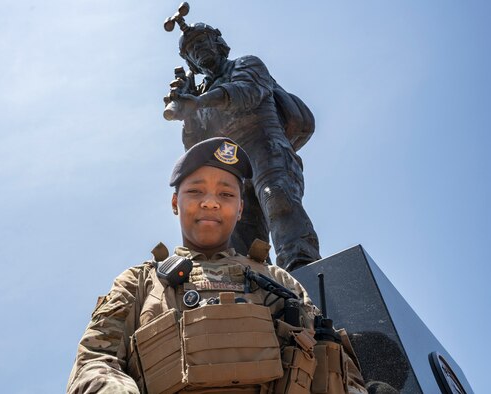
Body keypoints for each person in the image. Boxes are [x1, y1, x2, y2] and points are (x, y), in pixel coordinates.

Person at [66, 137, 367, 393]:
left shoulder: (279, 280)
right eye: (196, 191)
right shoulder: (139, 281)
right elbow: (95, 360)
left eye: (226, 194)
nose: (210, 202)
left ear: (240, 209)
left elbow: (333, 364)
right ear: (175, 203)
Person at [164, 21, 320, 272]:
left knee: (277, 197)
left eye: (202, 42)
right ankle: (253, 287)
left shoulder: (246, 64)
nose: (198, 51)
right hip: (232, 169)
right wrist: (187, 112)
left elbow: (245, 92)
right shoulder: (199, 95)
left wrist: (200, 101)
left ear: (218, 44)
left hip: (266, 148)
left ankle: (302, 267)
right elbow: (196, 147)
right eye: (192, 50)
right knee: (237, 234)